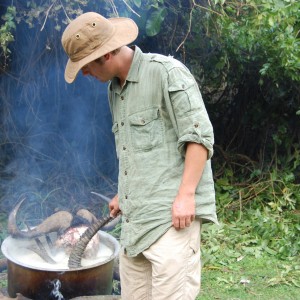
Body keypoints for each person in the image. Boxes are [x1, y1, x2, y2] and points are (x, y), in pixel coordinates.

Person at [61, 11, 218, 300]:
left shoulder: (166, 72)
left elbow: (199, 137)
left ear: (106, 54)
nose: (84, 73)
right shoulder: (114, 91)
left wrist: (186, 195)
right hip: (136, 224)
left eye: (85, 65)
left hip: (172, 219)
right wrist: (126, 194)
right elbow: (138, 151)